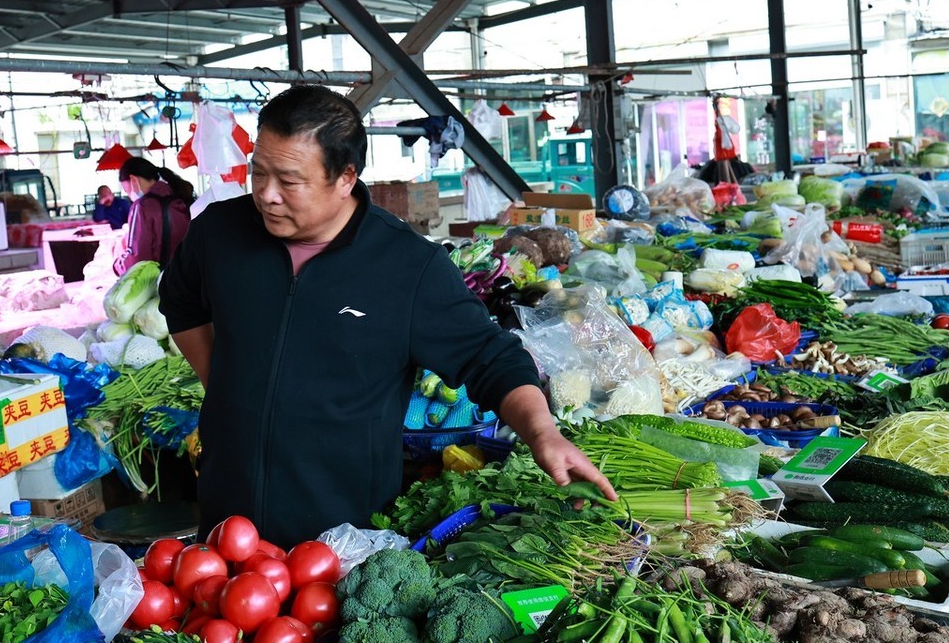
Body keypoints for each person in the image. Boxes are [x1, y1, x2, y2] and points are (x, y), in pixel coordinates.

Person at [162, 84, 615, 548]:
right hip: (226, 519)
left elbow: (491, 357)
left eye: (289, 180)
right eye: (259, 172)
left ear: (344, 177)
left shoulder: (407, 267)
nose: (267, 194)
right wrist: (223, 382)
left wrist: (543, 433)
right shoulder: (218, 233)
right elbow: (180, 301)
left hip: (340, 533)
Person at [113, 157, 195, 276]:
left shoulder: (142, 206)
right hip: (186, 280)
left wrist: (117, 264)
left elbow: (137, 260)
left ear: (133, 180)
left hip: (160, 284)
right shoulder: (181, 199)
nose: (129, 196)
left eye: (127, 190)